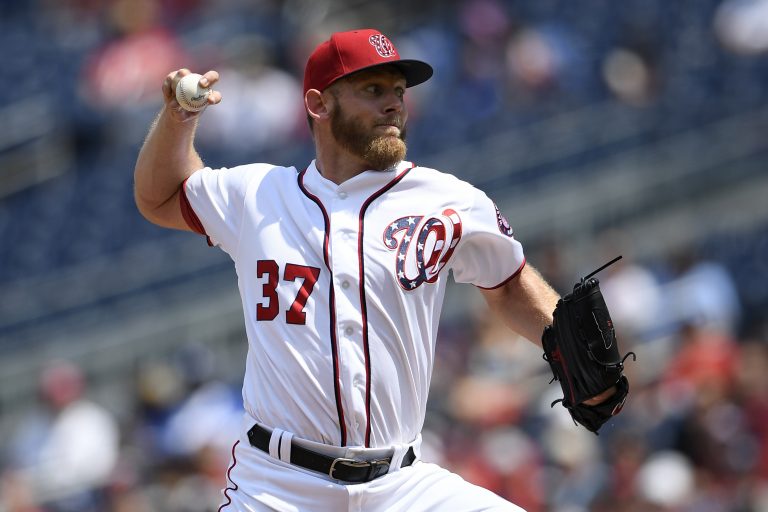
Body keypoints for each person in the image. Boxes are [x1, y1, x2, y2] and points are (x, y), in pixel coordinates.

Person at [134, 28, 615, 512]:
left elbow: (509, 286)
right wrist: (179, 119)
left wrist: (573, 349)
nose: (394, 105)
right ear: (319, 105)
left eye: (398, 92)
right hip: (278, 488)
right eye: (373, 90)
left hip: (400, 486)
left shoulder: (447, 200)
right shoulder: (256, 195)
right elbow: (158, 196)